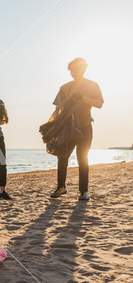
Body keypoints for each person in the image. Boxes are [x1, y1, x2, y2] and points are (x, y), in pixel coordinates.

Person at [50, 58, 104, 200]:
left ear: (83, 69)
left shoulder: (92, 85)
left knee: (82, 158)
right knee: (62, 156)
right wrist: (56, 125)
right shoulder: (64, 87)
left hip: (85, 127)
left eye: (76, 69)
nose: (73, 72)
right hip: (67, 128)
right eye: (71, 70)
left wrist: (82, 97)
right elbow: (57, 107)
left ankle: (83, 191)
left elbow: (99, 104)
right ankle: (61, 187)